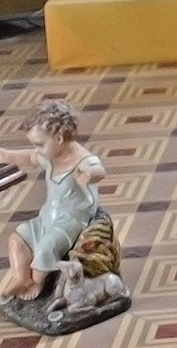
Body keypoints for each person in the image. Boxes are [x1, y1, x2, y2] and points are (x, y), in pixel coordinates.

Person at [0, 102, 107, 302]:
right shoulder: (50, 155)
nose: (37, 150)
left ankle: (37, 281)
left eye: (39, 144)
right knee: (17, 239)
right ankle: (21, 278)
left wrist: (89, 175)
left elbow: (98, 169)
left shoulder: (80, 160)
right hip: (47, 216)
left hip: (70, 221)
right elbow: (29, 157)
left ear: (59, 138)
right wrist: (6, 155)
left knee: (45, 249)